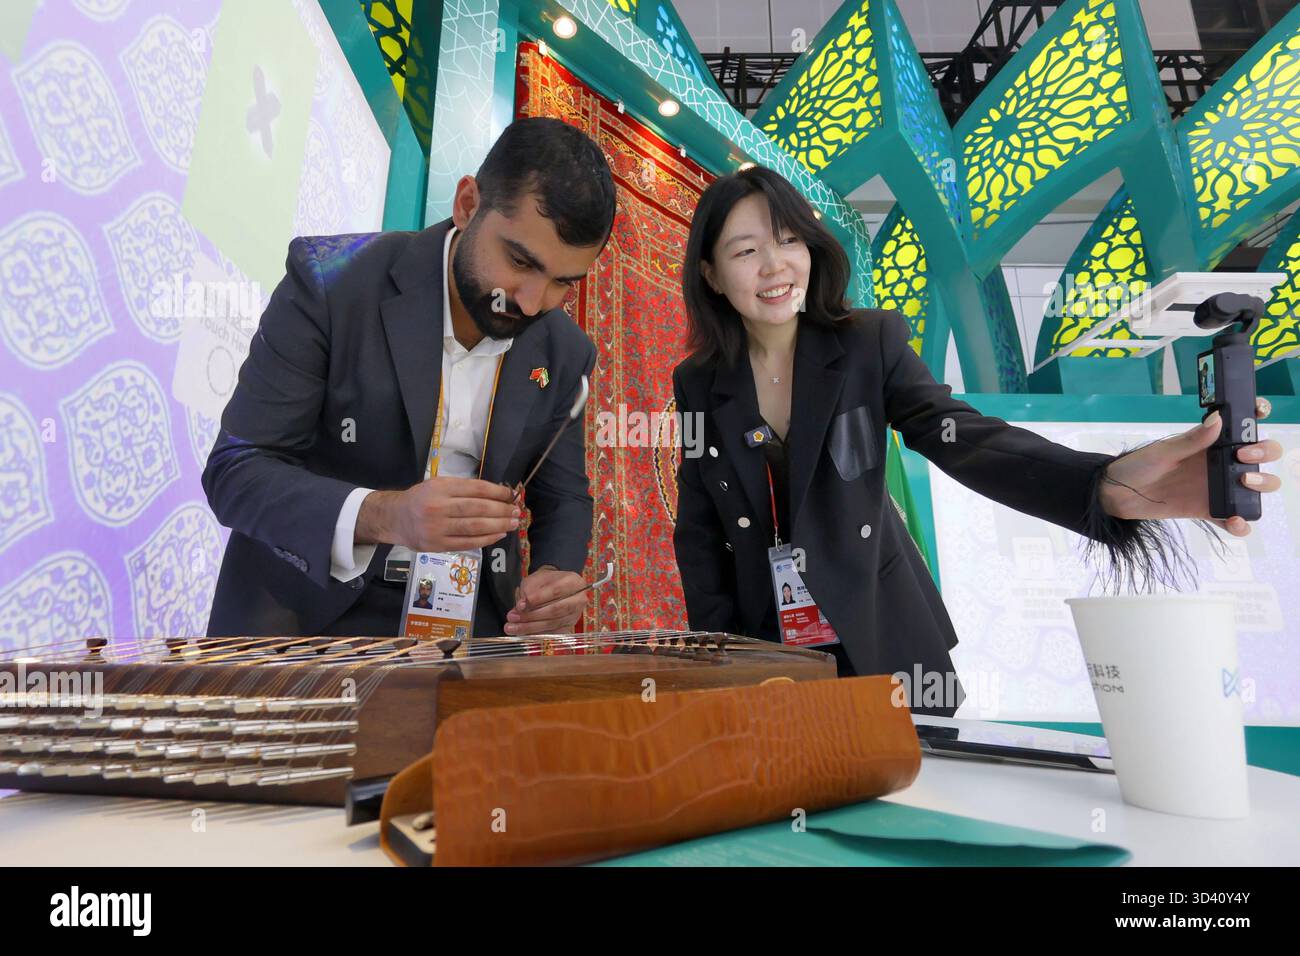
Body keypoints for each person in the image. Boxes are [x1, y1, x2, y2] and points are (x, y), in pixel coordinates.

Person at [670, 165, 1284, 715]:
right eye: (746, 250)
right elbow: (699, 530)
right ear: (713, 277)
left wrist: (1103, 484)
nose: (776, 266)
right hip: (765, 648)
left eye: (788, 240)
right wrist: (718, 657)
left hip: (884, 634)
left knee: (910, 812)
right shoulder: (699, 382)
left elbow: (963, 437)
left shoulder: (866, 344)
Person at [204, 118, 618, 640]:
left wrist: (555, 574)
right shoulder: (331, 284)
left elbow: (563, 496)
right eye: (519, 261)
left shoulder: (564, 352)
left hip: (468, 633)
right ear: (467, 204)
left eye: (563, 283)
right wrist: (387, 515)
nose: (534, 302)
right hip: (300, 620)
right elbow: (236, 471)